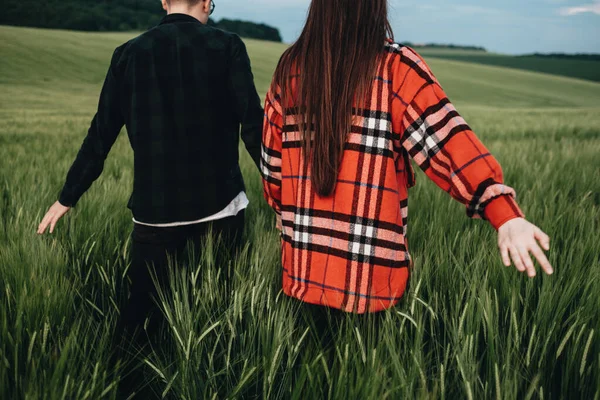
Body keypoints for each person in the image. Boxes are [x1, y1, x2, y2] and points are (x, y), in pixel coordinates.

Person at [261, 0, 553, 316]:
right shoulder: (396, 68)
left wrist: (281, 208)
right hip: (369, 280)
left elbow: (272, 164)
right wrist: (503, 213)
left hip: (303, 272)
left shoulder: (290, 69)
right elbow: (448, 143)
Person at [37, 0, 263, 336]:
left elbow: (101, 134)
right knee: (223, 306)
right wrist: (283, 190)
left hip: (154, 210)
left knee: (140, 313)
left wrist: (67, 197)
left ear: (163, 2)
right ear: (206, 2)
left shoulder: (129, 53)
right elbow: (253, 127)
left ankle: (128, 375)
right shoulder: (227, 46)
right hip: (221, 204)